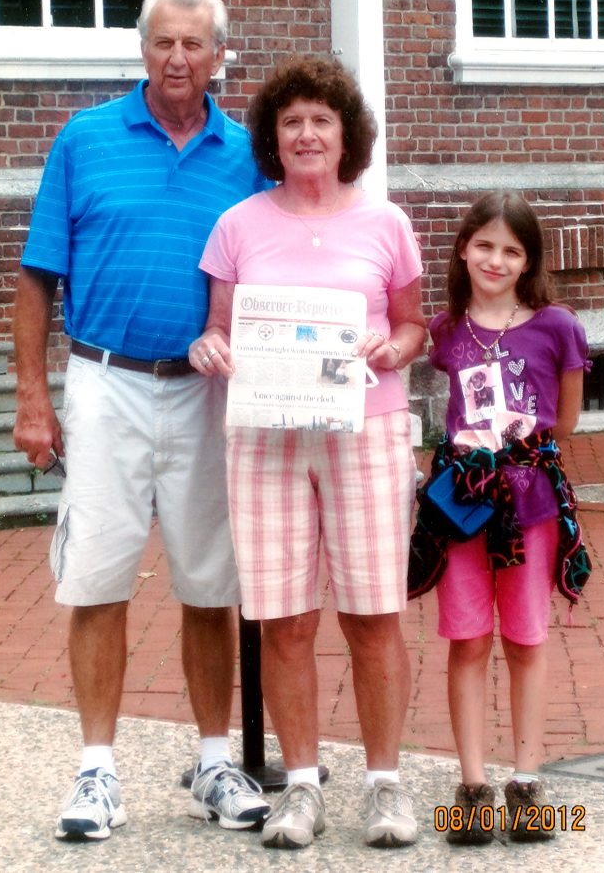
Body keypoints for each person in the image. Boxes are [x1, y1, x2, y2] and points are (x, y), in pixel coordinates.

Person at [12, 0, 272, 841]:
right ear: (143, 50)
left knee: (209, 581)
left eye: (194, 44)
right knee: (97, 579)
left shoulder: (247, 155)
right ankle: (96, 771)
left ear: (219, 56)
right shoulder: (84, 139)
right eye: (163, 42)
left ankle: (213, 762)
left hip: (205, 392)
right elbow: (36, 279)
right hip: (105, 383)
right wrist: (33, 399)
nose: (176, 58)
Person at [188, 55, 427, 849]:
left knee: (373, 614)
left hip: (365, 430)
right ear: (272, 137)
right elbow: (217, 327)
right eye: (290, 121)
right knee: (284, 619)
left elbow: (412, 326)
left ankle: (385, 785)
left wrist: (392, 349)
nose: (306, 134)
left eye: (321, 119)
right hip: (266, 439)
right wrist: (209, 348)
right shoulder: (238, 225)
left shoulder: (386, 223)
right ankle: (299, 786)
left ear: (345, 134)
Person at [409, 191, 591, 845]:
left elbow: (565, 422)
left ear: (528, 260)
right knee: (466, 639)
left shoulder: (557, 327)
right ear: (463, 248)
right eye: (484, 245)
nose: (495, 259)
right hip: (463, 506)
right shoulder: (444, 330)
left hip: (529, 505)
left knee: (525, 638)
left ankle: (526, 779)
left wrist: (514, 453)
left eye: (511, 250)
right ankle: (471, 784)